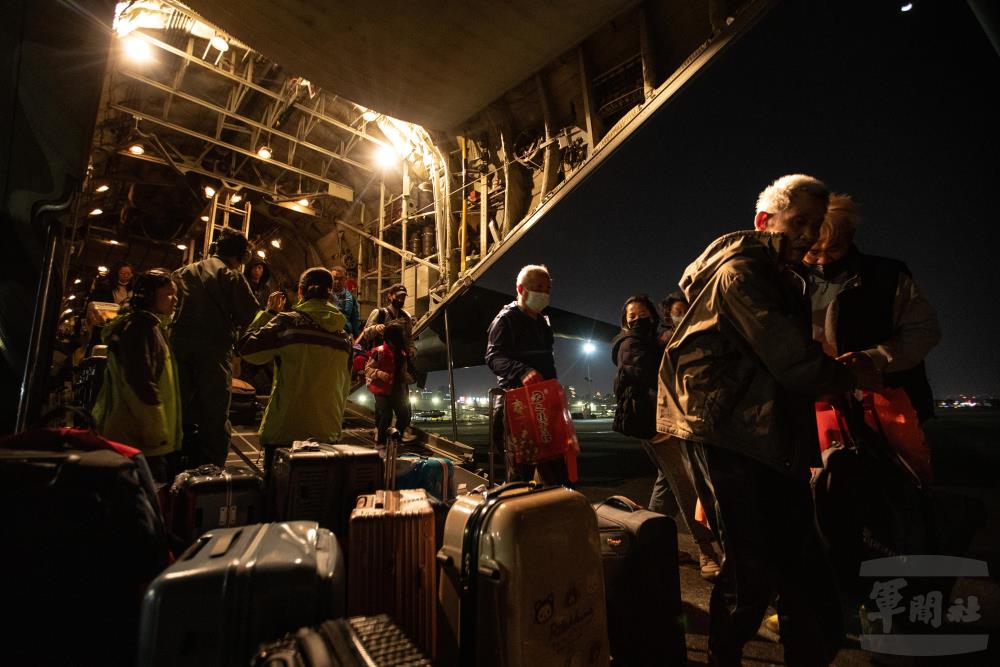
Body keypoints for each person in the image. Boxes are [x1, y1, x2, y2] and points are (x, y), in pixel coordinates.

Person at [656, 174, 882, 666]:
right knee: (751, 566)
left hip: (762, 431)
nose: (809, 234)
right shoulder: (744, 273)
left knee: (794, 558)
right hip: (731, 434)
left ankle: (805, 651)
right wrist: (850, 373)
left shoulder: (782, 274)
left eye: (815, 225)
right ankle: (725, 655)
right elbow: (793, 362)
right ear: (765, 220)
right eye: (798, 222)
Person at [803, 193, 940, 421]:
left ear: (850, 235)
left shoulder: (888, 276)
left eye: (834, 248)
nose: (823, 260)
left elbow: (924, 331)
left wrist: (874, 358)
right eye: (813, 251)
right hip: (810, 403)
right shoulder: (782, 279)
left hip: (883, 406)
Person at [611, 294, 721, 579]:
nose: (637, 320)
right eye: (631, 317)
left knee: (667, 485)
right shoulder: (628, 343)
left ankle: (649, 541)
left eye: (642, 314)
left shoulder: (654, 341)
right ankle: (706, 547)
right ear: (624, 322)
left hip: (668, 420)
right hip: (656, 426)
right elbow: (646, 372)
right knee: (686, 484)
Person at [238, 267, 352, 473]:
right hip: (329, 432)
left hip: (286, 431)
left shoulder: (287, 322)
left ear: (300, 291)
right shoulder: (344, 337)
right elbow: (345, 386)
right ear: (330, 294)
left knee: (279, 498)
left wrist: (269, 313)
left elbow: (247, 350)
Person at [171, 228, 260, 468]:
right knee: (214, 412)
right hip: (214, 350)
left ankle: (175, 461)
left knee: (178, 406)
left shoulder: (182, 273)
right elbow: (249, 315)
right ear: (241, 256)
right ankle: (211, 468)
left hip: (177, 348)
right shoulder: (231, 276)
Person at [92, 269, 181, 483]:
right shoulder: (141, 328)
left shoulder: (153, 326)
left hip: (141, 437)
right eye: (169, 293)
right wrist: (157, 434)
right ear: (148, 295)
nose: (175, 300)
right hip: (137, 440)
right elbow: (141, 384)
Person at [485, 264, 569, 484]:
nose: (545, 294)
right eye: (539, 288)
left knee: (556, 470)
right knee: (519, 477)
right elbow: (493, 357)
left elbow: (547, 362)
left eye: (548, 289)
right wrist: (522, 371)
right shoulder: (505, 320)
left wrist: (555, 391)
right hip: (516, 406)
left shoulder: (542, 322)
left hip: (543, 405)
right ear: (521, 289)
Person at [364, 321, 412, 454]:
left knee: (404, 414)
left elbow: (402, 372)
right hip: (380, 390)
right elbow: (367, 369)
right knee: (386, 415)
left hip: (396, 389)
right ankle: (380, 444)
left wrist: (405, 377)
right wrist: (379, 374)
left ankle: (395, 439)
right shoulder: (378, 351)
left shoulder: (401, 354)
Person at [331, 264, 362, 337]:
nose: (337, 281)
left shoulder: (350, 297)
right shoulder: (324, 296)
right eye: (335, 278)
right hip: (329, 334)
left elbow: (355, 320)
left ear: (345, 279)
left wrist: (357, 343)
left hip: (345, 336)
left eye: (340, 278)